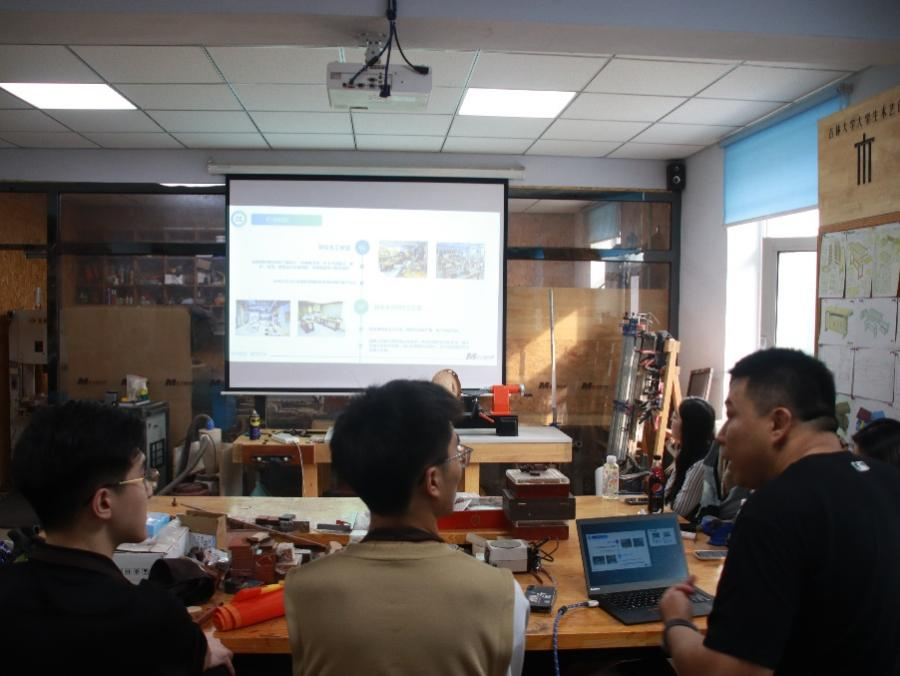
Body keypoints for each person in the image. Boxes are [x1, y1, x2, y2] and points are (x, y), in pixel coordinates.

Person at [660, 348, 900, 675]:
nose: (722, 435)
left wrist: (677, 621)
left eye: (732, 415)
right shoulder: (889, 481)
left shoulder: (775, 509)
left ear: (778, 423)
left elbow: (728, 672)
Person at [284, 380, 528, 676]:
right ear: (433, 481)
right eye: (458, 454)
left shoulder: (302, 592)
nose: (461, 465)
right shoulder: (503, 596)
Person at [0, 401, 234, 676]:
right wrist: (197, 651)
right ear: (103, 503)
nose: (149, 490)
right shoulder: (153, 619)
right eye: (142, 477)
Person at [665, 397, 716, 520]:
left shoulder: (701, 464)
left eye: (675, 417)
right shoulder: (686, 453)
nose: (671, 420)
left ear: (689, 426)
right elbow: (666, 496)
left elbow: (678, 512)